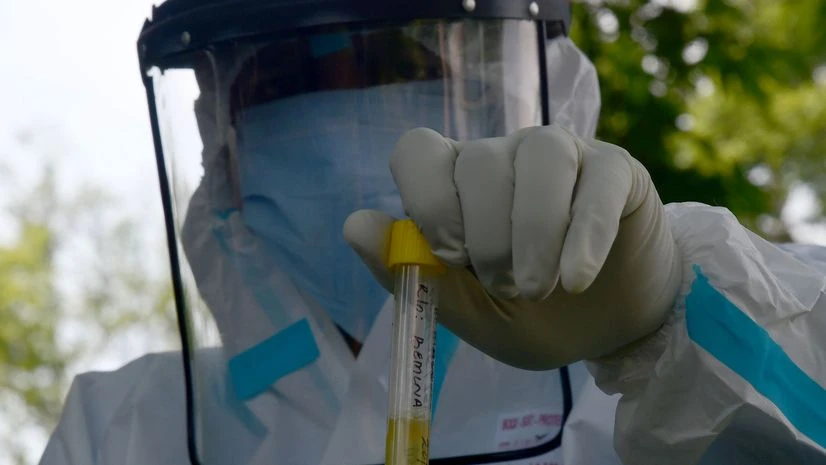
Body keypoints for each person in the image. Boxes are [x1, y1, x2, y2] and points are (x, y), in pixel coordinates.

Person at [40, 1, 826, 464]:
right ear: (222, 136)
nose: (344, 111)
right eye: (285, 81)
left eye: (395, 58)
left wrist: (671, 325)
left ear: (520, 87)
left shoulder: (644, 366)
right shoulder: (125, 429)